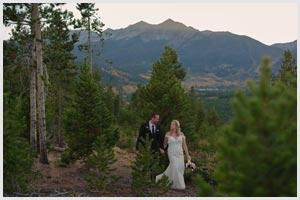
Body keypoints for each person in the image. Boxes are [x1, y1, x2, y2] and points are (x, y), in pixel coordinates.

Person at [156, 120, 191, 190]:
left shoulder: (181, 134)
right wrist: (161, 148)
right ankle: (180, 186)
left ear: (176, 126)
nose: (171, 125)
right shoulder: (168, 134)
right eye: (171, 124)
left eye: (172, 124)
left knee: (180, 168)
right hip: (172, 153)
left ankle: (164, 180)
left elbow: (184, 146)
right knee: (175, 166)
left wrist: (188, 155)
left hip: (180, 154)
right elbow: (164, 145)